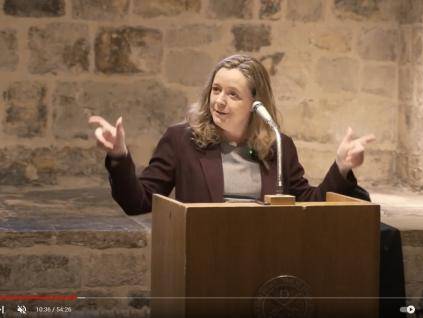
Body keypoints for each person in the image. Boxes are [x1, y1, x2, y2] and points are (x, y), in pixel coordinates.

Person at [89, 54, 375, 215]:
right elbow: (137, 202)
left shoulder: (278, 145)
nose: (219, 101)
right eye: (216, 90)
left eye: (233, 94)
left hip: (265, 254)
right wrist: (119, 155)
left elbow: (308, 205)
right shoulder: (181, 140)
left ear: (255, 104)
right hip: (206, 256)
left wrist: (341, 167)